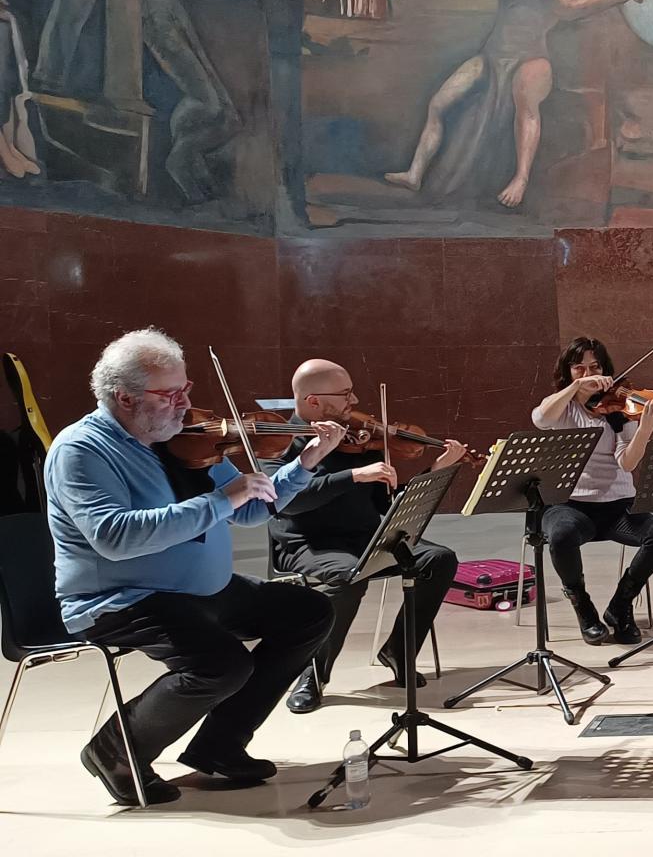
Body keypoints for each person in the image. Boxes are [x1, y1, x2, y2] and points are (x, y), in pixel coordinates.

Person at [47, 329, 340, 806]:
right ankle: (115, 750)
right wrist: (222, 497)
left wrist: (304, 464)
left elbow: (248, 509)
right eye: (171, 394)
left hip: (199, 589)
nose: (185, 404)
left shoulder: (182, 439)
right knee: (221, 664)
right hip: (121, 597)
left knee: (307, 612)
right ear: (125, 397)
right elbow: (116, 538)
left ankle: (220, 746)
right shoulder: (82, 450)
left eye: (186, 390)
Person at [273, 360, 469, 714]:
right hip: (307, 543)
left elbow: (386, 502)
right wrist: (353, 476)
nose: (355, 400)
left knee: (438, 559)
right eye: (345, 394)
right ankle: (314, 675)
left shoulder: (360, 441)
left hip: (365, 536)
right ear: (313, 401)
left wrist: (435, 472)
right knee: (348, 575)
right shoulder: (276, 441)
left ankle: (399, 650)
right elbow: (291, 503)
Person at [384, 0, 644, 207]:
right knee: (439, 103)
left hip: (531, 58)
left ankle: (521, 178)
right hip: (491, 57)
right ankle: (415, 174)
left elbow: (570, 8)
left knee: (527, 109)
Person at [532, 337, 653, 645]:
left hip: (617, 508)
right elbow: (540, 419)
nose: (589, 374)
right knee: (561, 535)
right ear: (568, 373)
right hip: (570, 506)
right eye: (579, 368)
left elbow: (627, 463)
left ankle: (620, 606)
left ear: (606, 369)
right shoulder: (564, 409)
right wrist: (574, 388)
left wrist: (646, 429)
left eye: (595, 367)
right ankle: (583, 607)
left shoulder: (620, 409)